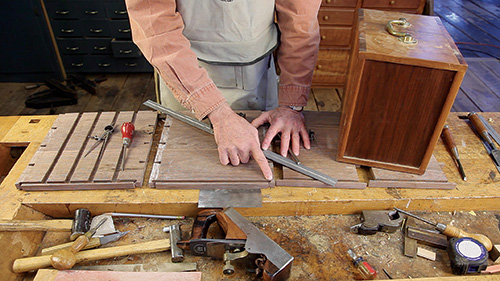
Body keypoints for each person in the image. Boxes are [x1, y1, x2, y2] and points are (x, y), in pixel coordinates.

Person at [125, 0, 321, 181]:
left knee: (258, 163)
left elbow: (301, 22)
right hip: (183, 73)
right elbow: (156, 28)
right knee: (183, 168)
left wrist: (291, 105)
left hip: (257, 72)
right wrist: (216, 111)